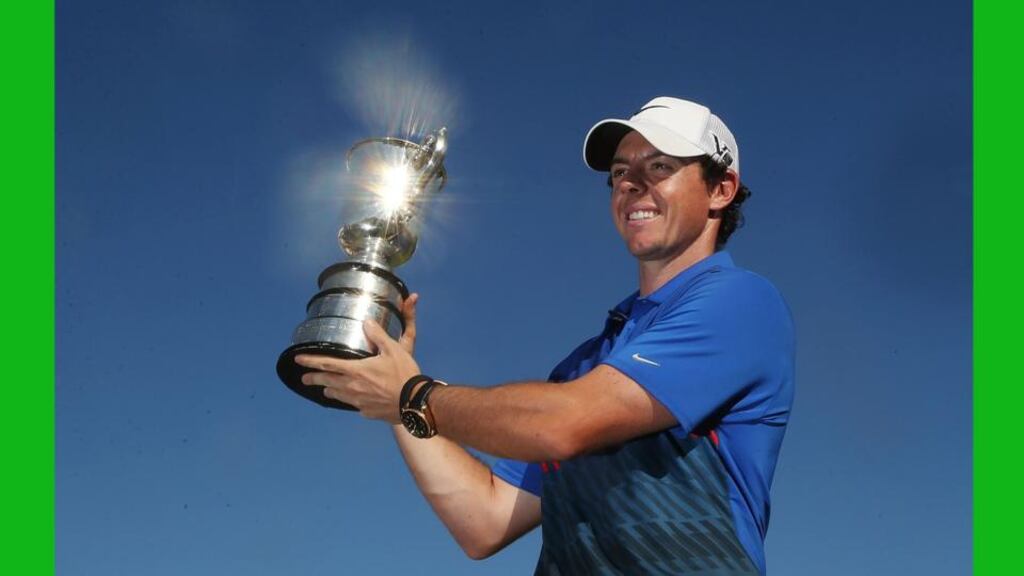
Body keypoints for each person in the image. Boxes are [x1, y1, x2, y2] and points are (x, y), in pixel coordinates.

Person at [294, 96, 795, 575]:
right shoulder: (583, 367)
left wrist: (415, 395)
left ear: (720, 189)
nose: (632, 185)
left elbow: (566, 424)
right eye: (620, 172)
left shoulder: (742, 303)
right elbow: (484, 521)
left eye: (660, 166)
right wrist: (398, 400)